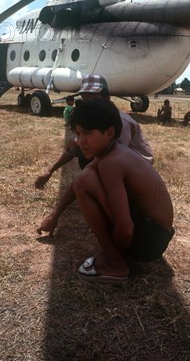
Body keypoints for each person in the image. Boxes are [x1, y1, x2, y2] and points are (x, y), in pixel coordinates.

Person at [35, 73, 154, 236]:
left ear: (106, 97)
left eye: (93, 97)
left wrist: (56, 214)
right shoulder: (96, 118)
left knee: (86, 180)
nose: (87, 102)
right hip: (121, 170)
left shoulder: (118, 121)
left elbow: (92, 171)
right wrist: (50, 170)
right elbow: (76, 148)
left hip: (137, 180)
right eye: (84, 97)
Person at [71, 99, 174, 283]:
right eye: (78, 134)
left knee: (84, 182)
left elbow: (125, 228)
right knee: (86, 177)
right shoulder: (114, 152)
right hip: (157, 234)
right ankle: (117, 257)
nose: (80, 141)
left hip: (150, 240)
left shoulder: (112, 162)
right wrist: (55, 216)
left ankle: (115, 264)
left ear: (109, 132)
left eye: (87, 133)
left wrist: (111, 253)